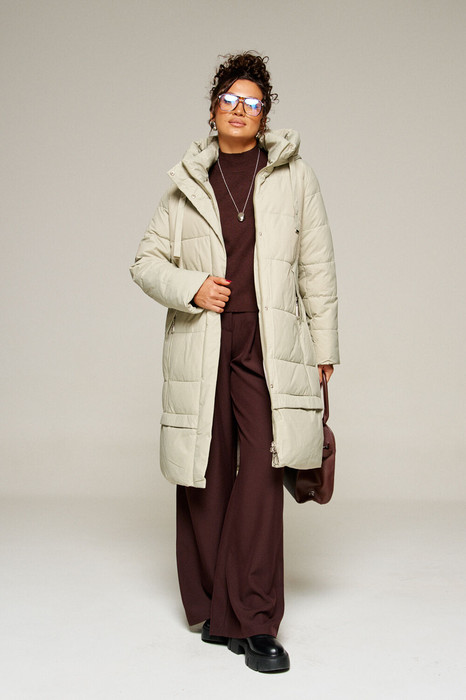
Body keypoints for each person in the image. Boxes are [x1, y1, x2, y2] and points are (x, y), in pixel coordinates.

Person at [130, 51, 339, 674]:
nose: (240, 110)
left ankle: (254, 617)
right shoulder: (187, 183)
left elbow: (317, 266)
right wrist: (192, 286)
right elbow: (145, 262)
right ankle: (211, 607)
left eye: (252, 102)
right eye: (230, 99)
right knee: (207, 467)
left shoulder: (294, 177)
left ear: (265, 114)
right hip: (202, 338)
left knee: (265, 469)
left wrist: (323, 348)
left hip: (268, 340)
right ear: (214, 108)